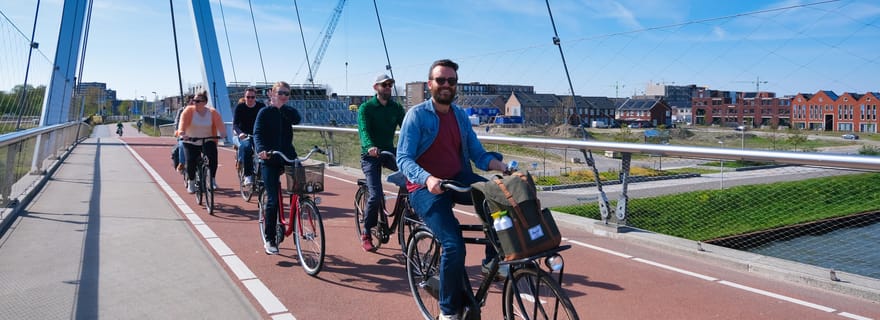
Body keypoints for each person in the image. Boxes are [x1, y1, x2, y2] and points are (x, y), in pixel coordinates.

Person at [396, 59, 509, 320]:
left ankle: (493, 261)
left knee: (498, 199)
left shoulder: (459, 115)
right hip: (424, 187)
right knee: (454, 245)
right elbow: (404, 158)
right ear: (430, 84)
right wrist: (427, 179)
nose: (446, 85)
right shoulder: (417, 115)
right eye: (441, 80)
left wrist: (498, 165)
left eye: (452, 81)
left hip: (457, 177)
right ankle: (448, 312)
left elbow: (478, 154)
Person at [357, 74, 405, 252]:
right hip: (371, 155)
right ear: (375, 87)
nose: (388, 87)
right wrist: (369, 146)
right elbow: (363, 130)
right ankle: (366, 232)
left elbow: (407, 127)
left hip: (388, 152)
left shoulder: (396, 108)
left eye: (390, 84)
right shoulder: (366, 108)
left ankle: (408, 212)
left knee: (412, 174)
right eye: (384, 85)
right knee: (376, 195)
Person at [253, 81, 302, 255]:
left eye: (287, 94)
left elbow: (297, 118)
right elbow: (257, 133)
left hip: (288, 155)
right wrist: (261, 151)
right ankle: (270, 239)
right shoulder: (264, 112)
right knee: (273, 200)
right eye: (280, 93)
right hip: (270, 158)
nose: (283, 96)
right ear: (271, 94)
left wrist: (282, 108)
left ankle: (298, 212)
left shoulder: (287, 112)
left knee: (301, 188)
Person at [176, 90, 227, 193]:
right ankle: (191, 182)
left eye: (198, 101)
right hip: (190, 141)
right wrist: (182, 133)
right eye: (194, 100)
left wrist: (222, 133)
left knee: (213, 157)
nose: (195, 102)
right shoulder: (188, 111)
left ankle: (212, 179)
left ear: (204, 102)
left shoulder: (212, 112)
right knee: (190, 161)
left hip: (207, 139)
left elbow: (220, 125)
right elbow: (182, 123)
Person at [233, 87, 266, 186]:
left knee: (266, 150)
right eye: (248, 97)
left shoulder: (261, 106)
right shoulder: (240, 107)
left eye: (252, 97)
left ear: (255, 97)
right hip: (245, 134)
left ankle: (265, 175)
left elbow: (265, 121)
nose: (250, 99)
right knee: (247, 148)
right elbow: (235, 124)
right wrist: (240, 133)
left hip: (258, 134)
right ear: (245, 97)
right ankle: (248, 175)